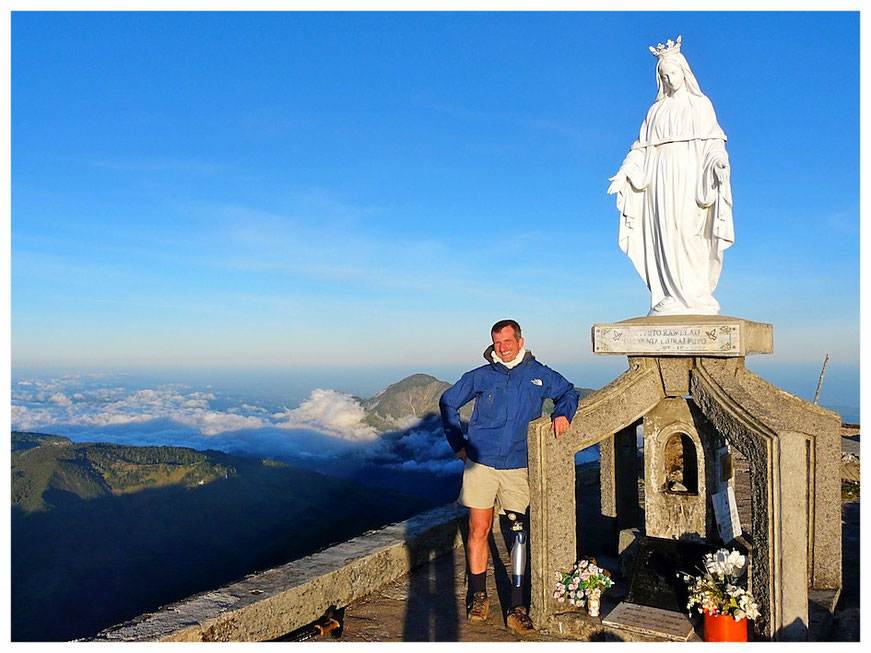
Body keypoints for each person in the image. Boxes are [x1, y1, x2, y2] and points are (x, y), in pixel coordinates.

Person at [439, 319, 580, 635]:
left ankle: (516, 607)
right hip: (480, 464)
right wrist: (458, 444)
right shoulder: (482, 375)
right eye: (497, 342)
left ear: (520, 340)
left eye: (507, 342)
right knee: (479, 528)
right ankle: (479, 595)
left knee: (519, 532)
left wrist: (562, 413)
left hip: (517, 466)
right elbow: (448, 401)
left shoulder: (538, 374)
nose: (501, 348)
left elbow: (568, 392)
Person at [607, 35, 734, 316]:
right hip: (659, 183)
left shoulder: (700, 106)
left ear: (684, 72)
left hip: (691, 177)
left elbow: (714, 144)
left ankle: (696, 294)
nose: (670, 79)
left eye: (673, 73)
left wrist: (719, 164)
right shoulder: (656, 112)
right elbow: (641, 148)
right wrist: (624, 173)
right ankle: (669, 294)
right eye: (664, 75)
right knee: (664, 235)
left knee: (690, 231)